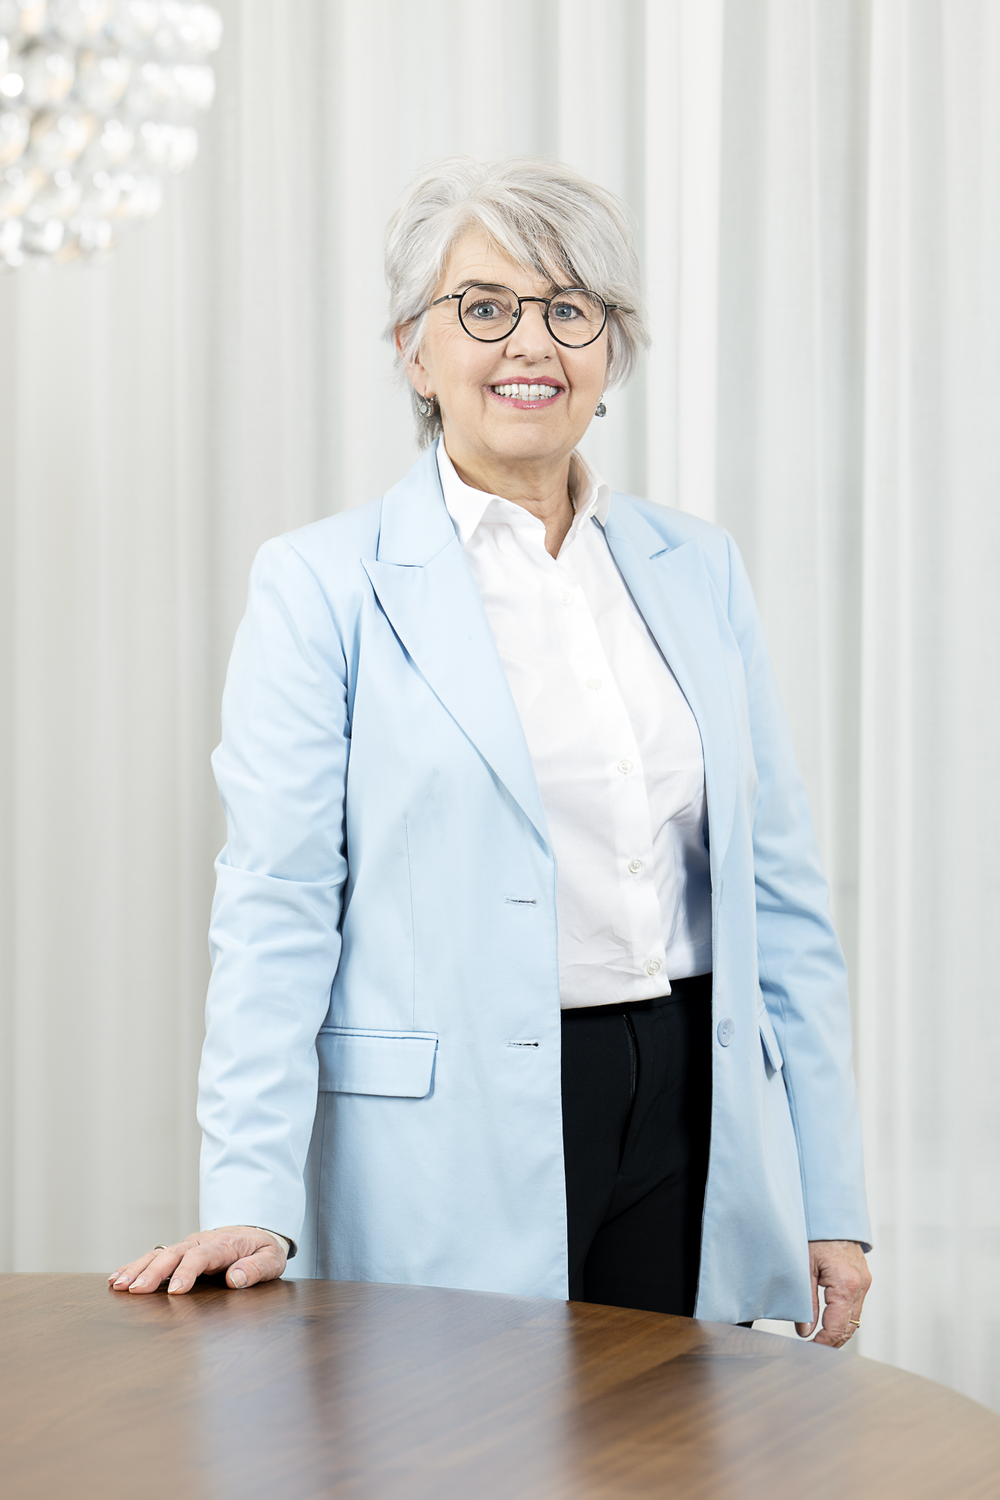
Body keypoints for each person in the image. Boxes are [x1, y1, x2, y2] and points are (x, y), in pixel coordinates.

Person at [111, 157, 871, 1343]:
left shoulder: (696, 565)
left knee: (667, 1459)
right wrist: (251, 1194)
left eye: (570, 309)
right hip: (445, 1131)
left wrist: (829, 1194)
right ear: (416, 351)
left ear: (609, 351)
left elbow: (783, 896)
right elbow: (277, 903)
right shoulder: (321, 584)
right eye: (484, 307)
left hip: (690, 1101)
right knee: (465, 1453)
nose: (531, 343)